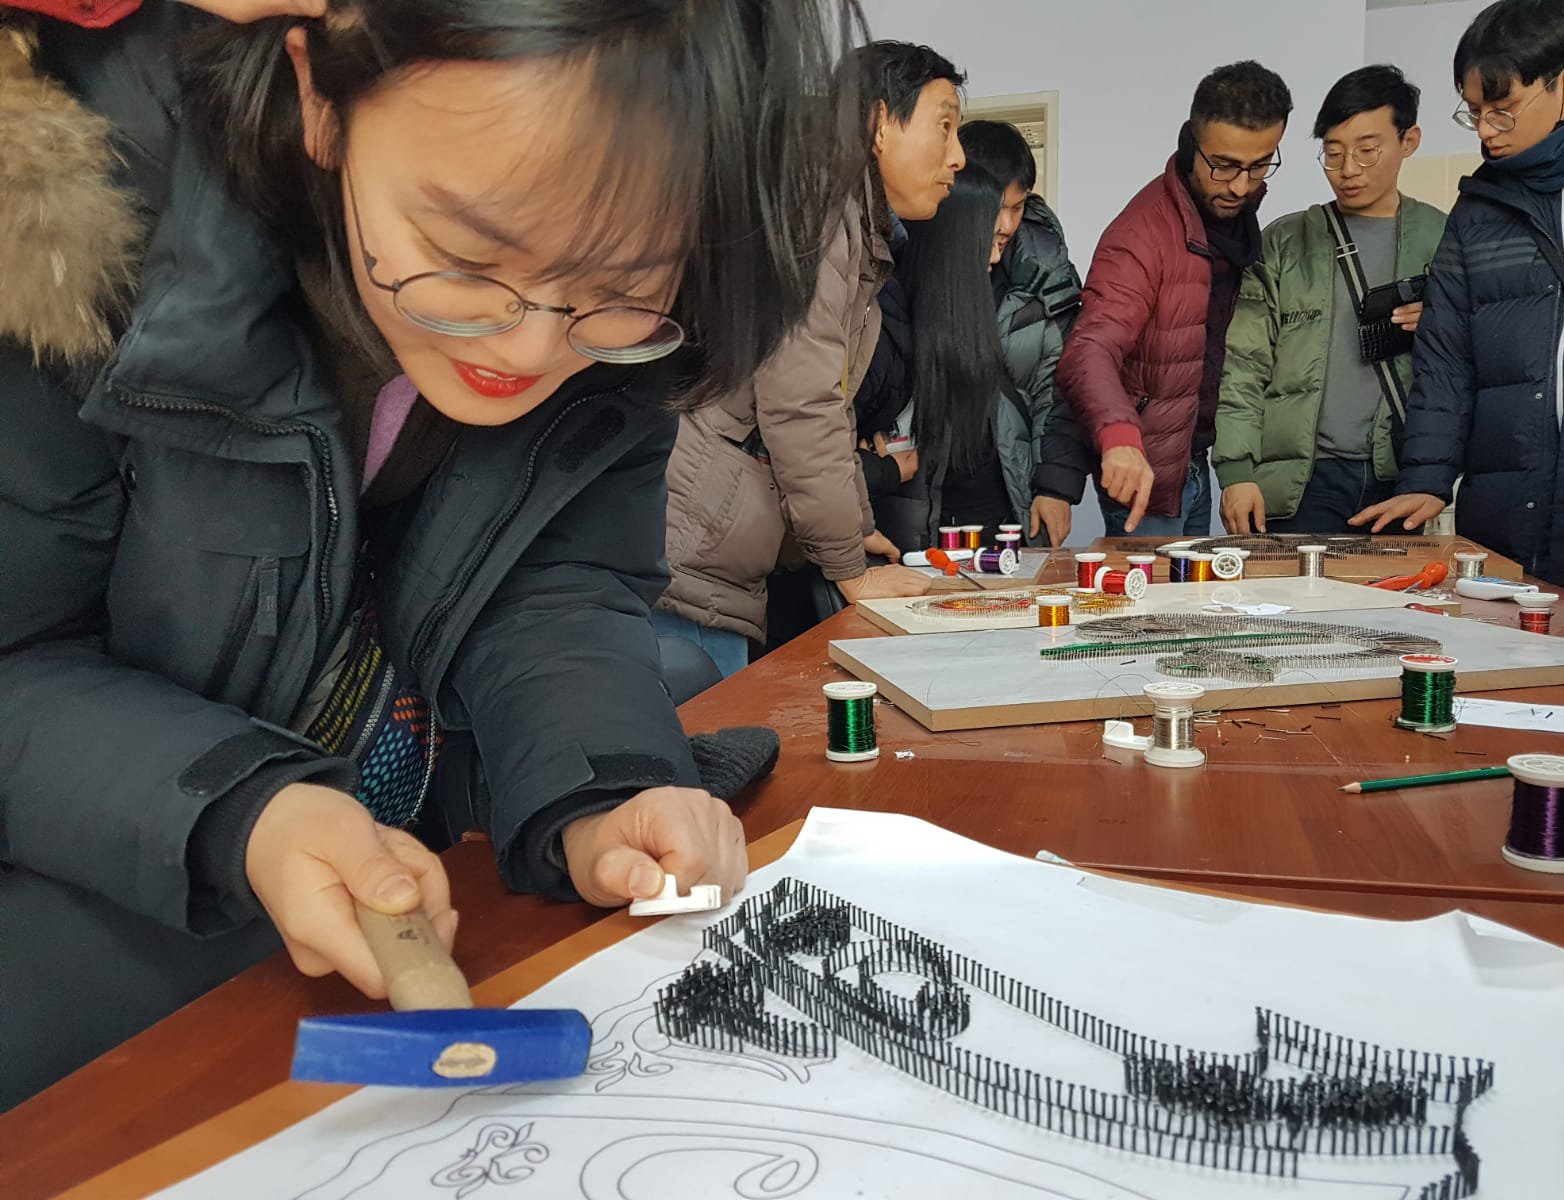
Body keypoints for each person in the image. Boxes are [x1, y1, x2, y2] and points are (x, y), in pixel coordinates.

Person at [0, 0, 862, 1108]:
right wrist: (243, 812)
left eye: (620, 291)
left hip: (372, 898)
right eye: (466, 257)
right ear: (322, 98)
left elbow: (558, 587)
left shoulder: (621, 346)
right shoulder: (68, 265)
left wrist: (604, 786)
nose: (529, 347)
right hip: (98, 922)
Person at [657, 41, 963, 673]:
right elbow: (802, 402)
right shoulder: (817, 211)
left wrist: (855, 528)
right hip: (697, 534)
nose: (957, 156)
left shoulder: (843, 216)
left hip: (715, 524)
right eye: (944, 126)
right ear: (879, 123)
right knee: (695, 715)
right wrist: (851, 569)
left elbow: (832, 404)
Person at [1351, 0, 1564, 592]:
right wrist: (1427, 477)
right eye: (1474, 113)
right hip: (1508, 504)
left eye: (1503, 111)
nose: (1487, 130)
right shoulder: (1479, 208)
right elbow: (1446, 356)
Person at [1056, 61, 1293, 535]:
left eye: (1259, 165)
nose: (1241, 185)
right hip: (1146, 467)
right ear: (1190, 144)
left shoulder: (1233, 221)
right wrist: (1119, 435)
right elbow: (1089, 347)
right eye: (1223, 165)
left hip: (1193, 458)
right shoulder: (1142, 234)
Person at [1214, 67, 1446, 534]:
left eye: (1366, 151)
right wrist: (1236, 471)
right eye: (1333, 153)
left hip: (1399, 476)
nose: (1347, 170)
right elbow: (1242, 362)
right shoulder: (1285, 240)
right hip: (1299, 483)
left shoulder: (1442, 237)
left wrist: (1444, 326)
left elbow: (1469, 367)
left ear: (1409, 141)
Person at [957, 119, 1091, 546]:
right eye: (995, 207)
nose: (1005, 224)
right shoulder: (916, 256)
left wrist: (1056, 484)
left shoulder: (1046, 272)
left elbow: (1062, 385)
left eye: (1016, 208)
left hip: (1012, 492)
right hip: (929, 493)